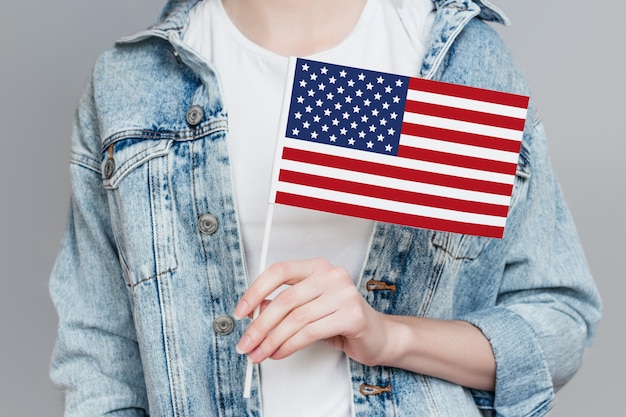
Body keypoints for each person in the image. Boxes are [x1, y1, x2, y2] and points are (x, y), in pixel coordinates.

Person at [49, 0, 602, 416]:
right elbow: (100, 359)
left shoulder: (451, 55)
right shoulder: (132, 81)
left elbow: (559, 323)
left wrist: (389, 335)